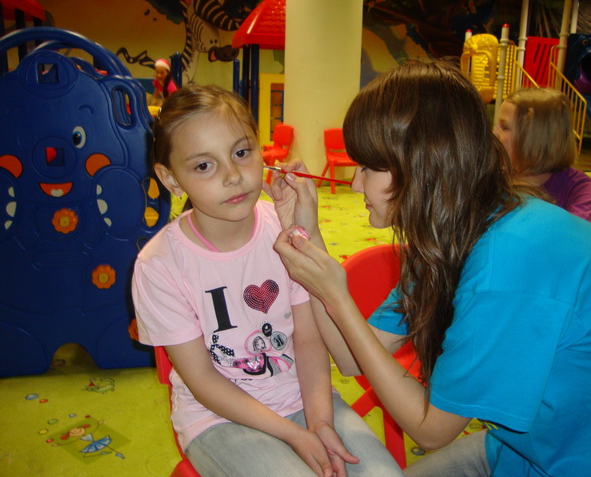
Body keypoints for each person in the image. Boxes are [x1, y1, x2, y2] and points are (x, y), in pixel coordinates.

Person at [272, 61, 591, 477]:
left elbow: (432, 429)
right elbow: (351, 357)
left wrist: (338, 297)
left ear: (422, 164)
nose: (356, 184)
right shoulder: (453, 236)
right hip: (526, 450)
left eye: (369, 167)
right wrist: (306, 235)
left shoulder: (506, 260)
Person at [130, 84, 405, 477]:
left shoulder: (282, 228)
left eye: (241, 153)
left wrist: (320, 421)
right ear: (171, 180)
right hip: (218, 419)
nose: (233, 176)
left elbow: (308, 339)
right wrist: (294, 435)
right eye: (204, 166)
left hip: (305, 398)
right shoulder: (159, 264)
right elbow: (202, 380)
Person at [494, 87, 591, 224]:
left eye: (505, 127)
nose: (495, 133)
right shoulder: (492, 178)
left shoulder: (580, 188)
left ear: (535, 139)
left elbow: (577, 233)